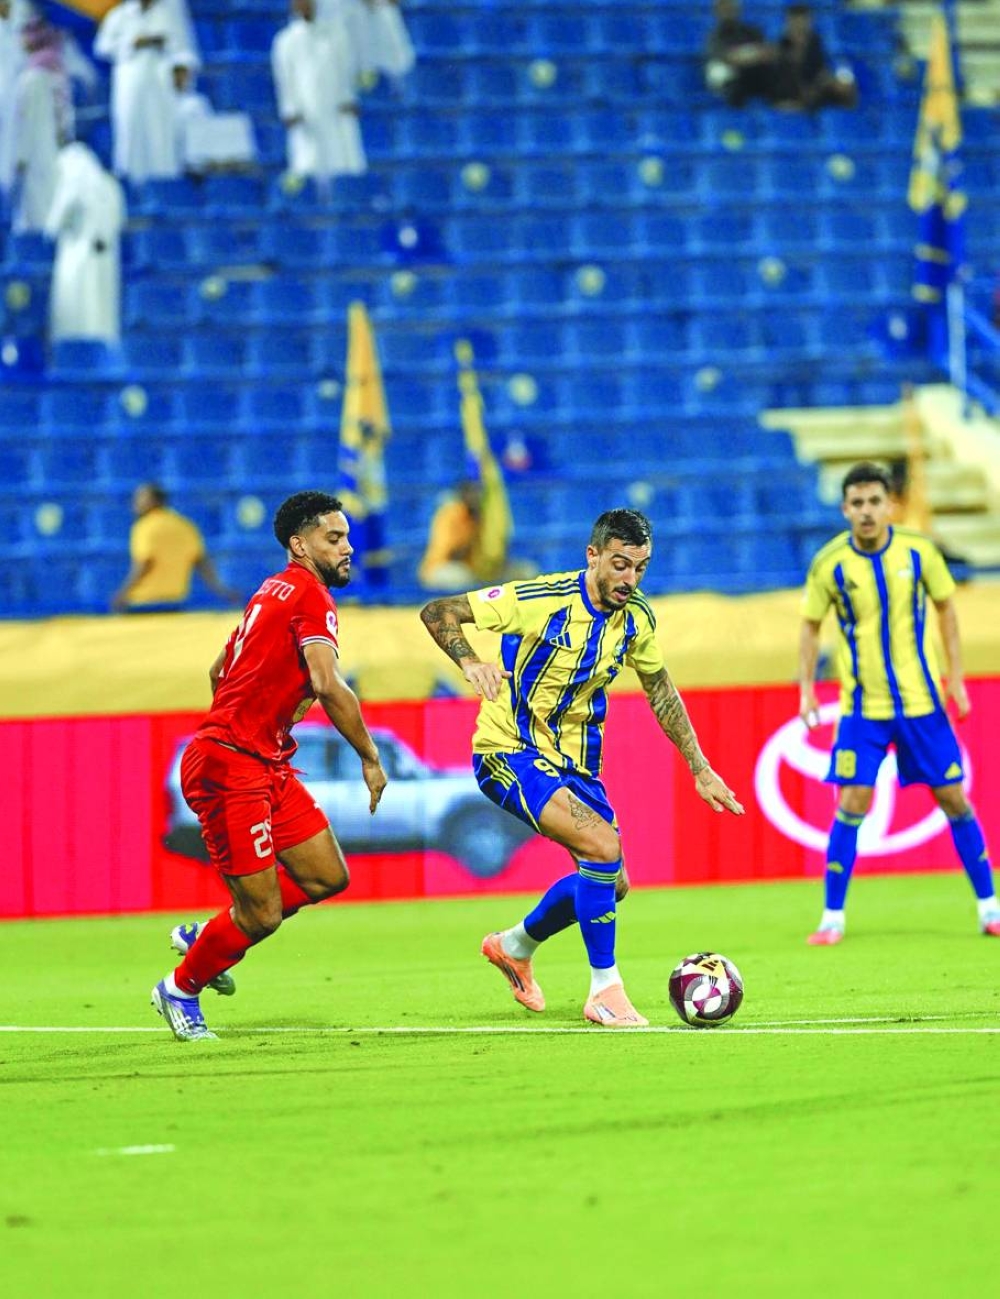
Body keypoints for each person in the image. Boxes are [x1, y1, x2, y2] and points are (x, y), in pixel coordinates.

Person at [420, 508, 745, 1028]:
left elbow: (659, 688)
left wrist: (700, 766)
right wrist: (470, 662)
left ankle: (513, 945)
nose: (630, 579)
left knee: (611, 884)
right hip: (509, 750)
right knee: (602, 848)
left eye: (640, 567)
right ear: (592, 556)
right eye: (620, 564)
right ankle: (605, 991)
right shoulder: (540, 599)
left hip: (577, 766)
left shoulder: (637, 617)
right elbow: (439, 611)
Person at [152, 491, 389, 1040]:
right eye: (335, 539)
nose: (348, 548)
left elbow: (218, 670)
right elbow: (328, 683)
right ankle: (180, 988)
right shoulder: (309, 595)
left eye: (348, 537)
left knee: (326, 875)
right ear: (299, 544)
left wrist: (262, 717)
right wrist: (369, 756)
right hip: (230, 766)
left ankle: (212, 935)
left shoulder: (271, 590)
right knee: (258, 915)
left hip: (260, 761)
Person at [799, 461, 999, 945]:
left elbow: (947, 608)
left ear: (891, 504)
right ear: (845, 508)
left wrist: (956, 676)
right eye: (857, 503)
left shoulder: (919, 551)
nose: (866, 512)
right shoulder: (830, 563)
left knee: (953, 798)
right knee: (852, 801)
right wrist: (806, 687)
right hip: (863, 709)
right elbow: (810, 625)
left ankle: (989, 908)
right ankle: (832, 917)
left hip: (921, 703)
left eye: (874, 502)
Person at [95, 0, 192, 183]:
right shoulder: (119, 15)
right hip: (130, 81)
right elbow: (103, 47)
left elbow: (182, 48)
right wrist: (133, 43)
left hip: (160, 83)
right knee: (131, 129)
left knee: (160, 131)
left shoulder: (168, 13)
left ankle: (164, 183)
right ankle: (131, 182)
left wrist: (181, 67)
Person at [271, 0, 366, 184]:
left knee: (343, 164)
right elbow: (284, 79)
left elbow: (346, 70)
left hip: (336, 111)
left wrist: (348, 97)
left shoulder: (336, 35)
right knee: (309, 165)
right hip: (306, 116)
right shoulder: (286, 41)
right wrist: (290, 109)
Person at [111, 482, 242, 612]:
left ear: (155, 501)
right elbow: (202, 563)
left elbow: (145, 563)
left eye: (140, 498)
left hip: (144, 603)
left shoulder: (144, 527)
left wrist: (123, 593)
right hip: (175, 601)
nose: (135, 502)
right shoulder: (185, 525)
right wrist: (222, 590)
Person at [45, 142, 126, 343]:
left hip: (76, 260)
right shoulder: (111, 185)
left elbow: (53, 226)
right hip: (106, 260)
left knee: (74, 314)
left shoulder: (72, 183)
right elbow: (120, 221)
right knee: (102, 314)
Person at [10, 16, 71, 233]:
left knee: (38, 214)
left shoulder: (33, 77)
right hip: (55, 150)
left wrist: (20, 156)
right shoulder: (56, 71)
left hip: (36, 154)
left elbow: (27, 122)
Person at [171, 55, 257, 174]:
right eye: (176, 73)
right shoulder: (158, 104)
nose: (180, 78)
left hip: (195, 164)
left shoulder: (197, 103)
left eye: (184, 73)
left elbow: (206, 137)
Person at [772, 3, 857, 111]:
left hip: (816, 90)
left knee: (845, 86)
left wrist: (828, 81)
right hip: (790, 95)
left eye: (804, 21)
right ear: (788, 22)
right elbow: (782, 77)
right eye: (796, 22)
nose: (800, 26)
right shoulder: (781, 45)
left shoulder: (816, 41)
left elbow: (820, 70)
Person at [704, 0, 777, 107]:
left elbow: (767, 52)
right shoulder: (715, 37)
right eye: (725, 9)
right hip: (733, 80)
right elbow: (728, 58)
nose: (729, 12)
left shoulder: (751, 32)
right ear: (716, 12)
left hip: (755, 74)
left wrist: (746, 57)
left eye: (732, 8)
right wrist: (751, 56)